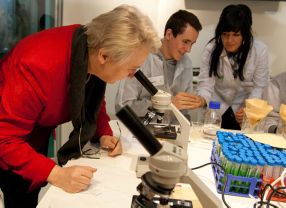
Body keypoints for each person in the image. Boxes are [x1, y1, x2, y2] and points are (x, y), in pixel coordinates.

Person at [0, 5, 159, 208]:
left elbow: (92, 94)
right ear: (104, 56)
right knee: (19, 196)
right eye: (132, 68)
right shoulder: (36, 66)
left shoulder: (87, 47)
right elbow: (4, 138)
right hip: (11, 139)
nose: (131, 75)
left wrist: (103, 132)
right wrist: (56, 173)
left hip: (35, 133)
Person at [115, 10, 202, 124]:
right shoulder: (142, 57)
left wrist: (193, 102)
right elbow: (123, 106)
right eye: (185, 42)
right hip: (142, 133)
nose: (188, 49)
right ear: (169, 34)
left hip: (173, 133)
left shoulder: (186, 63)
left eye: (192, 44)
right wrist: (167, 104)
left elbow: (183, 112)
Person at [195, 4, 269, 129]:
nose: (229, 40)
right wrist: (201, 99)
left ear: (245, 34)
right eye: (225, 34)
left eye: (236, 35)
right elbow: (205, 83)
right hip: (216, 106)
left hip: (242, 108)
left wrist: (249, 109)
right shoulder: (211, 49)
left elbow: (259, 87)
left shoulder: (259, 50)